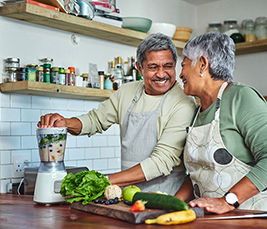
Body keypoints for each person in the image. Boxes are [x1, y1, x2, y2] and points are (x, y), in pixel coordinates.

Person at [37, 33, 196, 195]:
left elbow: (161, 161)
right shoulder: (127, 92)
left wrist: (102, 181)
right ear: (139, 68)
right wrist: (65, 123)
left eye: (168, 66)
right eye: (153, 67)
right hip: (126, 197)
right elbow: (95, 120)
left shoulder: (183, 103)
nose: (161, 74)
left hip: (165, 198)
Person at [175, 32, 267, 214]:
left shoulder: (241, 97)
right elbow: (198, 175)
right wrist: (171, 202)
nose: (180, 74)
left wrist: (227, 201)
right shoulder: (197, 112)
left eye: (183, 65)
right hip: (211, 220)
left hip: (250, 218)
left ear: (202, 64)